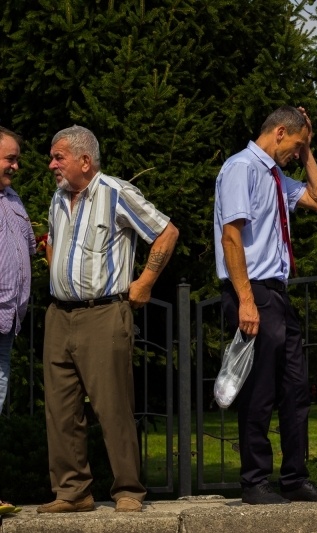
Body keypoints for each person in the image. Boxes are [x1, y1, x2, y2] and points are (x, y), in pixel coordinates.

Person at [39, 125, 179, 513]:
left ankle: (128, 490)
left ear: (85, 160)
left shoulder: (116, 193)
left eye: (58, 156)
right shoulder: (57, 197)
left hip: (103, 313)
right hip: (58, 314)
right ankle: (72, 491)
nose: (52, 164)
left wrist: (146, 282)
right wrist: (59, 276)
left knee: (112, 405)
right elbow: (53, 242)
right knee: (60, 409)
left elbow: (166, 232)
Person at [215, 106, 317, 505]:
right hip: (251, 290)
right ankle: (254, 481)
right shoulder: (241, 168)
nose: (295, 153)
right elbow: (231, 237)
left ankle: (295, 478)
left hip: (277, 293)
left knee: (295, 388)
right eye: (296, 145)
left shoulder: (277, 176)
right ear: (280, 132)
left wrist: (307, 153)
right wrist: (246, 300)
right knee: (260, 389)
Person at [0, 127, 35, 515]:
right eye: (10, 158)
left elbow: (27, 246)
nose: (16, 165)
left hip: (8, 323)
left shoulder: (12, 199)